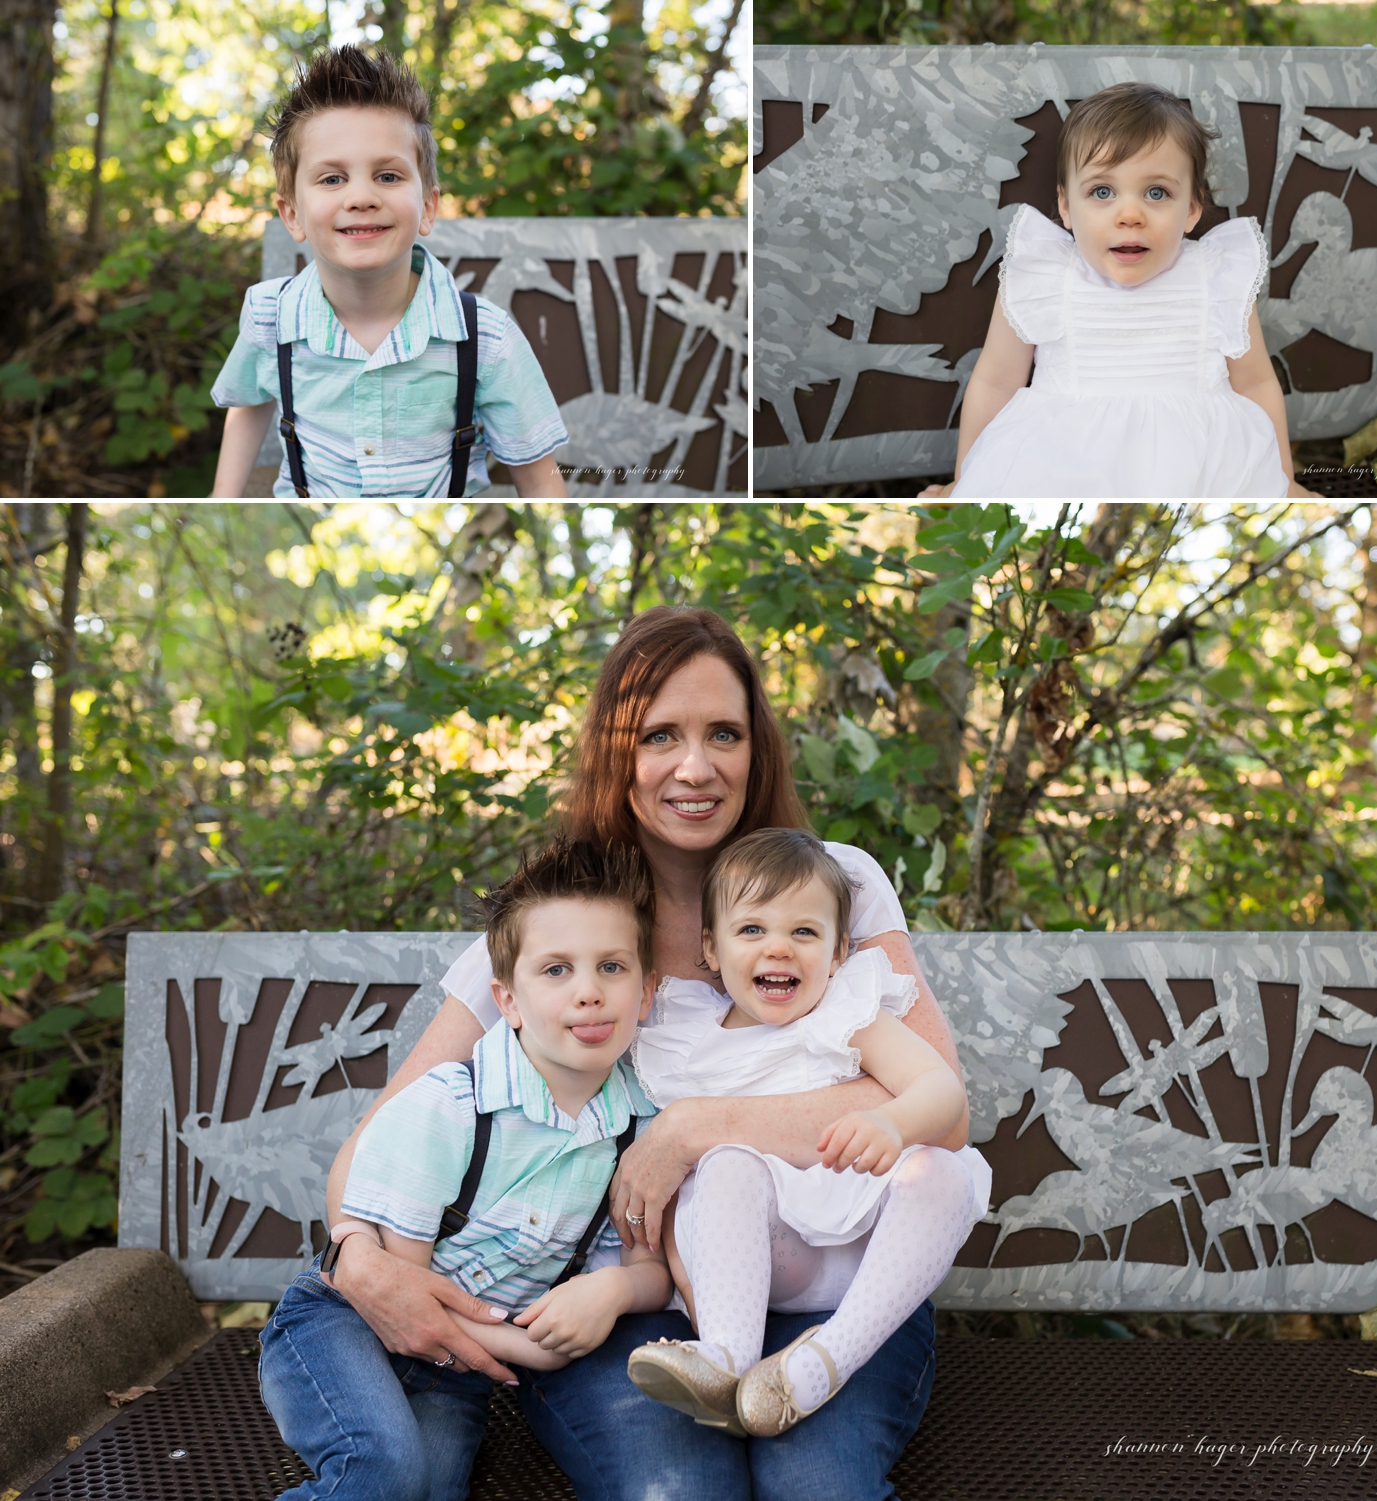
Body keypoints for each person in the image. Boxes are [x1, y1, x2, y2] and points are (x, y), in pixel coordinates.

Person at [322, 605, 973, 1501]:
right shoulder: (565, 932)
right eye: (659, 734)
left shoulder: (832, 886)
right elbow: (382, 1134)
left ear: (759, 750)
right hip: (637, 1309)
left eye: (724, 733)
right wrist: (356, 1259)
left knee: (818, 1488)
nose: (695, 766)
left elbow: (943, 1108)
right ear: (615, 752)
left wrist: (697, 1128)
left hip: (842, 1290)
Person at [258, 839, 669, 1501]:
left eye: (613, 966)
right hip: (346, 1323)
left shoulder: (636, 1128)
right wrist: (533, 1349)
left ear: (647, 990)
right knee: (382, 1472)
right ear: (506, 998)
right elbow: (402, 1290)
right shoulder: (453, 1107)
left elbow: (647, 1266)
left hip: (455, 1369)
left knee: (427, 1492)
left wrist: (612, 1292)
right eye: (557, 969)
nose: (589, 992)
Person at [626, 829, 990, 1439]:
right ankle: (726, 1358)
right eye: (752, 931)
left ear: (839, 949)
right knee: (727, 1165)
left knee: (943, 1173)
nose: (780, 950)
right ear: (710, 949)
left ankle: (826, 1361)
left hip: (867, 1261)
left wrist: (892, 1122)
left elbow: (943, 1090)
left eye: (804, 932)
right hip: (762, 1265)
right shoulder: (687, 1036)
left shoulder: (847, 1014)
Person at [920, 82, 1320, 500]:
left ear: (1192, 209)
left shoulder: (1215, 276)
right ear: (1066, 208)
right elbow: (996, 382)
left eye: (1156, 192)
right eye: (1102, 192)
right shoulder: (1044, 276)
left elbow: (1255, 383)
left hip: (1206, 464)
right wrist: (967, 481)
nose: (1130, 215)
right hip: (1060, 461)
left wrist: (1284, 481)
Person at [209, 45, 567, 499]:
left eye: (388, 177)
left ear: (428, 207)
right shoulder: (269, 317)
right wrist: (224, 498)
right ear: (293, 213)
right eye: (332, 179)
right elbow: (249, 400)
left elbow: (539, 477)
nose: (361, 196)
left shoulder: (485, 338)